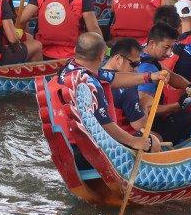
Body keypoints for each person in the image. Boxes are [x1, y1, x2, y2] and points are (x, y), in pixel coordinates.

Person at [51, 32, 164, 162]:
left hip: (63, 144)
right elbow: (105, 124)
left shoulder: (69, 67)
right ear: (101, 56)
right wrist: (133, 141)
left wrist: (149, 76)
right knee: (153, 141)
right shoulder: (91, 84)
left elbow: (114, 78)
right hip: (84, 150)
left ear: (76, 50)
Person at [137, 23, 191, 145]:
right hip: (142, 126)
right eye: (166, 47)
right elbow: (147, 110)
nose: (169, 53)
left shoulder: (144, 54)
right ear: (152, 43)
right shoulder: (147, 68)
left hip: (144, 120)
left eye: (171, 48)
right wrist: (179, 105)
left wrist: (189, 86)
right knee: (186, 118)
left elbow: (172, 76)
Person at [102, 38, 148, 134]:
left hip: (98, 137)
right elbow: (139, 125)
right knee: (157, 137)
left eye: (139, 64)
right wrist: (145, 103)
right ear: (118, 59)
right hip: (123, 140)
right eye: (134, 64)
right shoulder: (128, 87)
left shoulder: (93, 76)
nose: (136, 69)